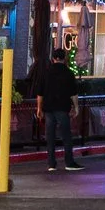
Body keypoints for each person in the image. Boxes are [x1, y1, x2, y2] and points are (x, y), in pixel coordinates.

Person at [34, 46, 81, 174]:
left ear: (53, 58)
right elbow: (74, 93)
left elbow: (40, 93)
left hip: (48, 108)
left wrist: (39, 108)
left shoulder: (46, 73)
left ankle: (51, 163)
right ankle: (69, 162)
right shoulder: (68, 73)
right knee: (66, 135)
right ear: (64, 58)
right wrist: (76, 107)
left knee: (50, 136)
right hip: (62, 107)